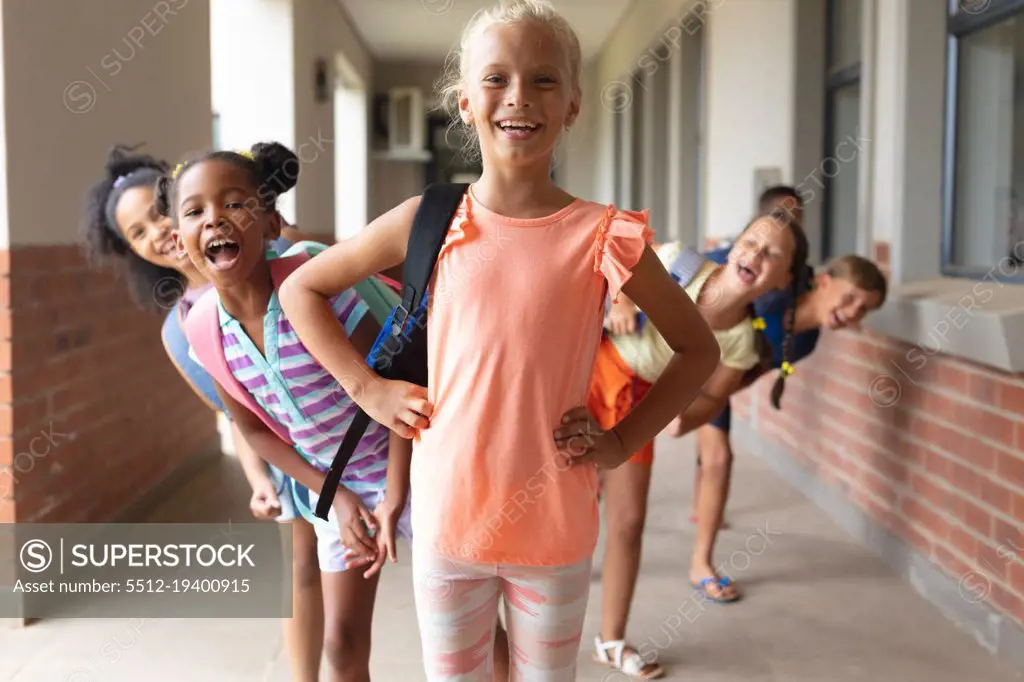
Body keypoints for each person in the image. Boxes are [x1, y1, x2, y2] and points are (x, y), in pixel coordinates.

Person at [277, 1, 722, 679]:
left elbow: (699, 350)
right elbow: (299, 290)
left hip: (556, 528)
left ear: (572, 104)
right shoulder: (426, 219)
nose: (520, 97)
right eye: (497, 79)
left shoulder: (604, 233)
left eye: (544, 80)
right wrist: (364, 387)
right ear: (464, 102)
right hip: (448, 526)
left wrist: (624, 440)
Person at [158, 141, 413, 682]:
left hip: (409, 462)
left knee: (461, 629)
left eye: (235, 203)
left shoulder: (314, 284)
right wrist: (334, 497)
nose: (215, 220)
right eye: (195, 211)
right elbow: (251, 428)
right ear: (179, 240)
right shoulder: (203, 329)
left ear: (271, 222)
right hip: (334, 485)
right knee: (342, 647)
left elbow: (392, 380)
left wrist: (396, 491)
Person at [79, 144, 326, 682]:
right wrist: (260, 477)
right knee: (300, 570)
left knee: (423, 555)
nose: (156, 233)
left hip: (355, 431)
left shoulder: (280, 251)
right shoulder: (181, 330)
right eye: (138, 234)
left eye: (157, 214)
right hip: (288, 457)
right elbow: (239, 417)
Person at [591, 211, 809, 678]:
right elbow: (612, 269)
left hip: (637, 405)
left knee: (628, 522)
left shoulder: (740, 343)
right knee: (547, 491)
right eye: (752, 241)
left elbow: (712, 398)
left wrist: (683, 418)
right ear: (733, 246)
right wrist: (623, 300)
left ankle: (610, 640)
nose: (756, 254)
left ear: (782, 279)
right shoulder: (679, 263)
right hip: (588, 371)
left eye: (772, 254)